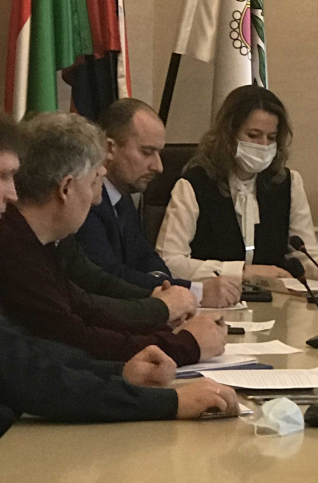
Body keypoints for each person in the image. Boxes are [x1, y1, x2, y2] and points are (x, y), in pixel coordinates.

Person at [0, 114, 238, 436]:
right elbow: (33, 373)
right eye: (3, 177)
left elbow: (37, 348)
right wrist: (174, 382)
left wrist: (121, 372)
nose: (13, 194)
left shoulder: (41, 242)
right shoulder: (12, 246)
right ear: (66, 187)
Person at [157, 86, 318, 285]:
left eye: (271, 137)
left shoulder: (288, 183)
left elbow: (304, 254)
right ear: (228, 135)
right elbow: (170, 261)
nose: (263, 145)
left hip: (275, 302)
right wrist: (241, 272)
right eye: (253, 135)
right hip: (213, 301)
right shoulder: (193, 184)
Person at [76, 99, 241, 307]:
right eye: (147, 152)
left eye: (159, 153)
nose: (159, 166)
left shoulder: (122, 196)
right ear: (109, 148)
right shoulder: (87, 201)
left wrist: (165, 284)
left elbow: (145, 257)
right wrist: (194, 292)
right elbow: (109, 276)